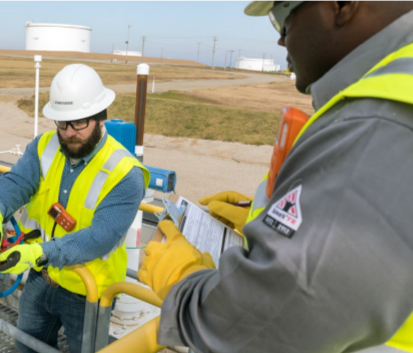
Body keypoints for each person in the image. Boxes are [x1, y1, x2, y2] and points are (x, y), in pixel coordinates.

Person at [139, 2, 413, 352]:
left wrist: (185, 281)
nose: (281, 41)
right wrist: (265, 212)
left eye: (282, 20)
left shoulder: (380, 121)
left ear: (342, 6)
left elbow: (266, 323)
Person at [0, 63, 149, 353]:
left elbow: (101, 236)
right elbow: (16, 181)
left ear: (100, 118)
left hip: (90, 291)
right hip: (43, 277)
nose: (68, 133)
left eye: (78, 123)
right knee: (28, 346)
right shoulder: (45, 145)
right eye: (62, 124)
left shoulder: (125, 173)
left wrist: (39, 253)